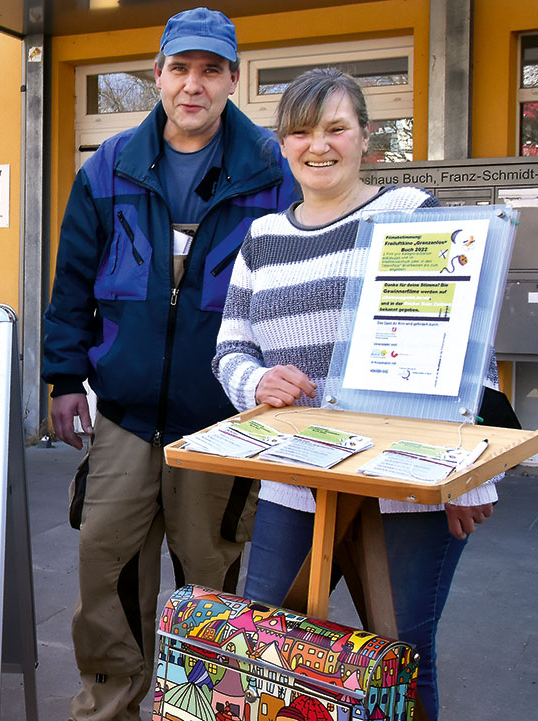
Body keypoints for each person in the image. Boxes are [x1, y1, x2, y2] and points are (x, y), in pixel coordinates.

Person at [212, 67, 498, 721]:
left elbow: (465, 341)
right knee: (264, 646)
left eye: (336, 128)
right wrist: (257, 381)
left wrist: (468, 470)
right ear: (282, 144)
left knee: (404, 654)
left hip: (405, 486)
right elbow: (230, 349)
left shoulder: (410, 212)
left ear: (367, 136)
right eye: (301, 132)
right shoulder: (262, 240)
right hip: (293, 480)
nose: (319, 145)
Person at [42, 8, 298, 721]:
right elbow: (72, 285)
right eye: (180, 68)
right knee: (107, 571)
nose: (193, 85)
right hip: (123, 415)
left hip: (221, 422)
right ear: (156, 75)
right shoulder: (108, 166)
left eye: (210, 70)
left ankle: (199, 711)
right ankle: (110, 705)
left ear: (232, 80)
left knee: (211, 581)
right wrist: (65, 379)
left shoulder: (273, 172)